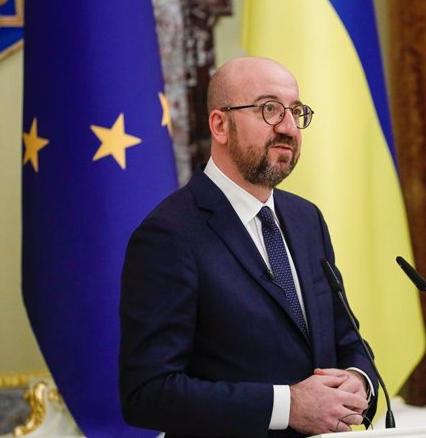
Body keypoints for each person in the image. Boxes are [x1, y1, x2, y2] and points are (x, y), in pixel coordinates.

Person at [119, 57, 378, 437]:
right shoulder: (169, 235)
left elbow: (345, 339)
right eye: (270, 109)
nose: (289, 127)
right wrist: (287, 406)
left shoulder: (307, 220)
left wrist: (359, 380)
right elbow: (148, 393)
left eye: (296, 112)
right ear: (220, 125)